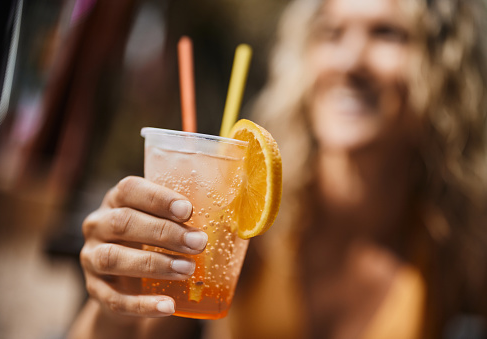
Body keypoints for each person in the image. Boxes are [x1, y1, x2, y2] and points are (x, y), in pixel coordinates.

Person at [68, 0, 487, 338]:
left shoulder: (458, 239)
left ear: (444, 61)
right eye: (332, 32)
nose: (351, 61)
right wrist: (115, 305)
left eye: (386, 33)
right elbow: (145, 330)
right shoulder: (243, 212)